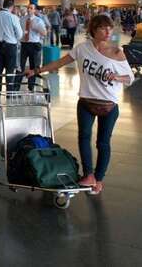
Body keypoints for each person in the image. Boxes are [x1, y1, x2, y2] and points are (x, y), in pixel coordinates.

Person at [26, 14, 133, 195]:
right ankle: (88, 175)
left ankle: (99, 179)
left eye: (109, 28)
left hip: (108, 105)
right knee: (84, 138)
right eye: (103, 28)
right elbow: (60, 62)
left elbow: (130, 78)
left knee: (103, 143)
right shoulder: (82, 49)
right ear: (93, 30)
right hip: (86, 102)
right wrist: (37, 70)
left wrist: (116, 77)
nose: (108, 32)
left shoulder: (116, 52)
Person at [0, 0, 23, 91]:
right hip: (10, 46)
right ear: (12, 6)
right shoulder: (13, 17)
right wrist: (13, 36)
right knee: (10, 70)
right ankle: (9, 92)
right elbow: (19, 34)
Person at [19, 3, 47, 90]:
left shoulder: (38, 20)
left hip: (34, 44)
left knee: (33, 66)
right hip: (24, 44)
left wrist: (35, 28)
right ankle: (16, 86)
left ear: (35, 10)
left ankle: (31, 86)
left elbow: (44, 33)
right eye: (28, 8)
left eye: (31, 8)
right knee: (20, 65)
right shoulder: (22, 19)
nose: (29, 10)